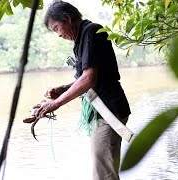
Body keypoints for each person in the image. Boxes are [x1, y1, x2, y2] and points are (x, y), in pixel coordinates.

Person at [33, 1, 131, 179]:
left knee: (104, 173)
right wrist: (62, 90)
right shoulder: (82, 39)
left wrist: (55, 103)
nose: (59, 35)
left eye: (56, 28)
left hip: (109, 111)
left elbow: (88, 79)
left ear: (67, 18)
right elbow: (89, 78)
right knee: (104, 168)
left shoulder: (91, 32)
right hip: (106, 112)